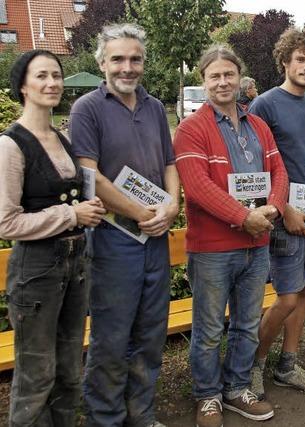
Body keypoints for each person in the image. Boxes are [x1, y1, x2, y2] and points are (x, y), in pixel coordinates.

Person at [69, 23, 180, 426]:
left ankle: (141, 415)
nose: (127, 67)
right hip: (114, 241)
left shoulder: (153, 107)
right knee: (112, 340)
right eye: (118, 59)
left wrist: (172, 204)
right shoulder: (87, 109)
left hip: (154, 239)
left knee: (151, 335)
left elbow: (170, 163)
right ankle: (106, 418)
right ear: (102, 63)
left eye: (135, 59)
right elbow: (89, 176)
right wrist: (140, 213)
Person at [173, 45, 288, 426]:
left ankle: (237, 389)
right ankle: (208, 396)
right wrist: (244, 217)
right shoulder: (191, 129)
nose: (223, 82)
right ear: (204, 82)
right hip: (213, 250)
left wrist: (272, 208)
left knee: (245, 323)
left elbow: (279, 172)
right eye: (214, 76)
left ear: (240, 78)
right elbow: (197, 186)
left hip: (256, 247)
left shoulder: (258, 126)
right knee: (207, 329)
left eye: (229, 74)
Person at [0, 49, 105, 426]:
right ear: (23, 86)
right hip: (37, 270)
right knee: (36, 375)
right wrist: (70, 215)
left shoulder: (62, 139)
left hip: (77, 264)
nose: (52, 83)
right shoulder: (11, 144)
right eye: (41, 76)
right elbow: (6, 223)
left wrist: (88, 210)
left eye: (57, 75)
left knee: (69, 371)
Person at [249, 28, 305, 397]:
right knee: (286, 295)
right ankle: (252, 364)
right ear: (285, 61)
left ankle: (287, 365)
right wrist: (283, 209)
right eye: (300, 59)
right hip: (282, 216)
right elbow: (256, 169)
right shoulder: (265, 105)